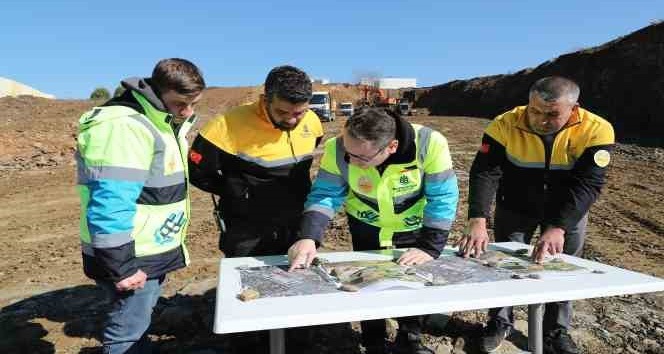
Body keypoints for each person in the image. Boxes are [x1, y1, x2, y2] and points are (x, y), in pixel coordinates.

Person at [456, 76, 615, 354]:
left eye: (552, 114)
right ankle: (499, 322)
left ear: (574, 108)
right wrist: (478, 219)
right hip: (516, 206)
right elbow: (485, 171)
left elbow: (588, 183)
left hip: (566, 209)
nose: (541, 119)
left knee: (560, 268)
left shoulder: (598, 130)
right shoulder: (504, 124)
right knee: (504, 266)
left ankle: (555, 332)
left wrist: (559, 227)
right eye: (535, 110)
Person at [288, 107, 459, 354]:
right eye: (349, 153)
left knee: (410, 283)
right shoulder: (339, 149)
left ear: (391, 147)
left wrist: (429, 246)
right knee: (365, 282)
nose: (352, 161)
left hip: (411, 229)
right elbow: (326, 194)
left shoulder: (429, 143)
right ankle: (373, 340)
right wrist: (308, 237)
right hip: (365, 225)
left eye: (361, 158)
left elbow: (442, 195)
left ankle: (409, 336)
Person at [76, 58, 205, 353]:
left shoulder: (158, 121)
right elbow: (110, 202)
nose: (187, 112)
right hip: (131, 256)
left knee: (137, 324)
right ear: (158, 93)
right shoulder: (125, 127)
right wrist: (121, 267)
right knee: (127, 335)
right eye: (179, 104)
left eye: (193, 103)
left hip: (145, 251)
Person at [188, 65, 323, 258]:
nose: (292, 120)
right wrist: (237, 192)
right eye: (283, 112)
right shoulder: (225, 126)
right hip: (247, 229)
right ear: (266, 99)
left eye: (299, 113)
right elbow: (197, 172)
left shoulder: (312, 121)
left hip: (295, 224)